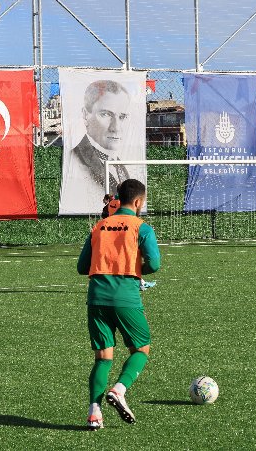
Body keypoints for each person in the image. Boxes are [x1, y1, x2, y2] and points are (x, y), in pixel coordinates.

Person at [77, 179, 161, 430]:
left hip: (97, 298)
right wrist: (138, 267)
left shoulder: (99, 226)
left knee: (103, 357)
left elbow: (82, 267)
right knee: (141, 350)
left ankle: (94, 413)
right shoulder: (141, 228)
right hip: (126, 297)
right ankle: (120, 389)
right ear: (138, 202)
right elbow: (154, 264)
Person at [69, 80, 132, 209]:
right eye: (106, 114)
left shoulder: (121, 165)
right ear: (86, 115)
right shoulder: (76, 160)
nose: (116, 128)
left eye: (122, 116)